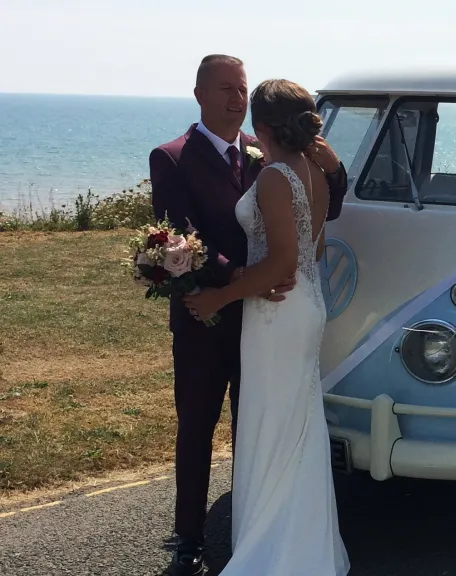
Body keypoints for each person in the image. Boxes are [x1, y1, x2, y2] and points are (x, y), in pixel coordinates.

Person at [149, 54, 349, 576]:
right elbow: (178, 231)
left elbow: (322, 206)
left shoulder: (268, 156)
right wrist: (233, 278)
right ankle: (190, 539)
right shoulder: (171, 156)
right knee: (197, 425)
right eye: (225, 89)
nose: (236, 98)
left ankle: (259, 527)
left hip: (270, 311)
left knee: (262, 425)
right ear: (199, 94)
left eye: (242, 89)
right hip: (212, 314)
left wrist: (332, 165)